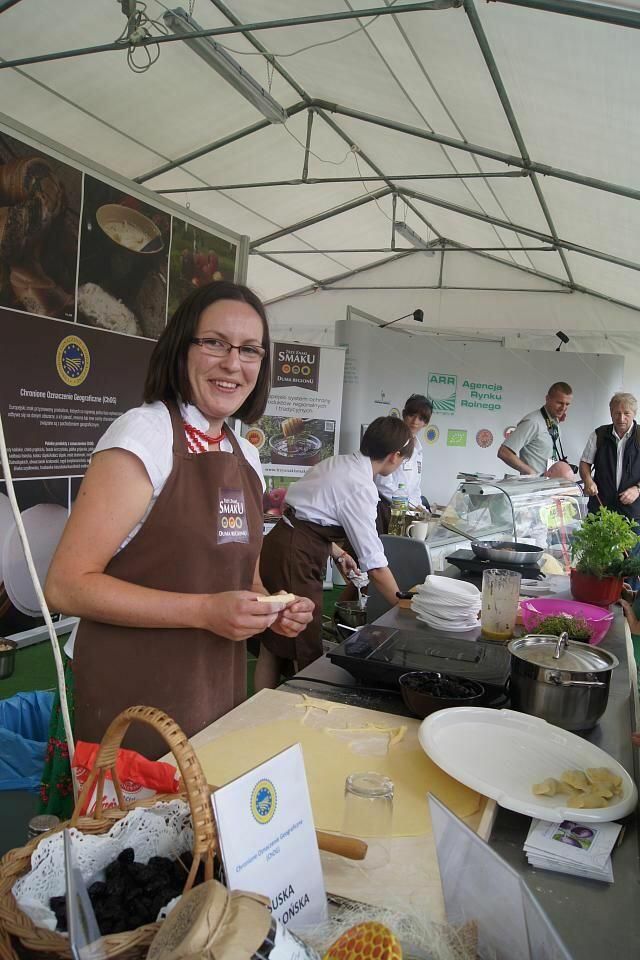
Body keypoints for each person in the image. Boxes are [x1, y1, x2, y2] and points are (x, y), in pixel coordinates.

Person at [42, 281, 313, 796]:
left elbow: (246, 578)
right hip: (127, 698)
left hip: (211, 691)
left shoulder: (246, 455)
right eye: (215, 343)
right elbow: (66, 586)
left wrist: (271, 608)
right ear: (182, 347)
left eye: (249, 350)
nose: (232, 363)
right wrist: (205, 611)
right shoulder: (142, 436)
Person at [254, 417, 414, 689]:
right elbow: (375, 566)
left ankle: (261, 709)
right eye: (402, 459)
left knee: (273, 642)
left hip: (281, 544)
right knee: (302, 645)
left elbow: (308, 515)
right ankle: (300, 710)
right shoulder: (360, 486)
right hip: (294, 557)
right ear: (394, 455)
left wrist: (338, 552)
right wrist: (403, 607)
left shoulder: (338, 463)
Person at [375, 394, 433, 532]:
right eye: (412, 415)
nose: (415, 421)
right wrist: (409, 506)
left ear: (426, 423)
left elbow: (415, 488)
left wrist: (421, 509)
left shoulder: (418, 450)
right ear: (404, 414)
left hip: (406, 513)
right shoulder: (392, 441)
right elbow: (382, 483)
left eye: (421, 418)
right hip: (387, 511)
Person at [579, 392, 640, 521]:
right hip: (600, 508)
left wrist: (637, 489)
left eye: (626, 413)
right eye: (617, 413)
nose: (621, 418)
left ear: (634, 414)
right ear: (611, 413)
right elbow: (585, 463)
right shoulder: (599, 434)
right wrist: (588, 480)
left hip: (633, 514)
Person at [497, 382, 573, 476]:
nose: (563, 408)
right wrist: (529, 472)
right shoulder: (533, 422)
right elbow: (504, 452)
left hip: (549, 483)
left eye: (567, 404)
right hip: (534, 484)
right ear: (547, 399)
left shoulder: (554, 423)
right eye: (559, 403)